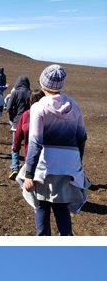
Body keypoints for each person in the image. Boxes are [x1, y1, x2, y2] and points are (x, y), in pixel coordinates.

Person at [19, 65, 89, 236]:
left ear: (43, 83)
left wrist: (29, 174)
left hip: (46, 165)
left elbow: (35, 143)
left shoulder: (38, 108)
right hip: (69, 165)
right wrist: (77, 164)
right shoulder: (75, 106)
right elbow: (81, 138)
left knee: (42, 205)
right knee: (61, 206)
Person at [11, 89, 44, 175]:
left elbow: (18, 134)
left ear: (30, 102)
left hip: (30, 155)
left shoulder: (26, 115)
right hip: (47, 156)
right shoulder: (50, 114)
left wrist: (16, 147)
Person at [5, 76, 32, 178]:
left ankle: (15, 167)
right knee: (28, 146)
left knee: (15, 146)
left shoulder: (15, 93)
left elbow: (8, 108)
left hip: (17, 123)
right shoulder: (31, 93)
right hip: (30, 124)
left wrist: (12, 118)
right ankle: (28, 169)